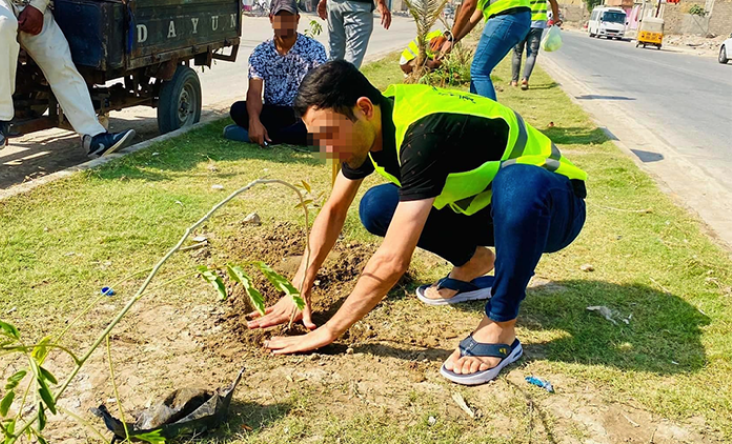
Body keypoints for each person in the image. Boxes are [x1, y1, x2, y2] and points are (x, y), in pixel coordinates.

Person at [250, 61, 588, 386]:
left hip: (552, 207)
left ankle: (500, 324)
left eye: (329, 135)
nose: (327, 148)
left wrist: (330, 330)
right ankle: (474, 262)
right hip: (488, 209)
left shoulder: (424, 133)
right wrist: (299, 287)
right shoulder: (371, 129)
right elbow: (335, 210)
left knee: (519, 182)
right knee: (378, 205)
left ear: (364, 109)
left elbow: (393, 261)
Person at [0, 0, 135, 156]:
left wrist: (37, 7)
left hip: (32, 5)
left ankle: (95, 137)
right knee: (1, 25)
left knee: (60, 62)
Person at [224, 0, 327, 147]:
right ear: (271, 19)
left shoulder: (314, 49)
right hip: (276, 112)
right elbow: (254, 92)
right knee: (238, 109)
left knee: (322, 124)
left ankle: (268, 136)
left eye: (288, 18)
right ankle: (275, 134)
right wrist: (254, 121)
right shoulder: (261, 52)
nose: (284, 23)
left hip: (304, 113)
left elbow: (321, 90)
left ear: (297, 19)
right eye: (280, 18)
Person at [435, 0, 532, 100]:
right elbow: (475, 16)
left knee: (479, 72)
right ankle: (476, 111)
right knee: (478, 72)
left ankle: (492, 114)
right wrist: (453, 41)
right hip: (520, 18)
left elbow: (468, 5)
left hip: (505, 17)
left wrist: (451, 39)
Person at [317, 0, 391, 68]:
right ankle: (344, 81)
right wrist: (381, 2)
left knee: (335, 55)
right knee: (352, 57)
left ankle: (330, 81)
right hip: (358, 5)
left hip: (334, 4)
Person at [510, 0, 562, 90]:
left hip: (521, 22)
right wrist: (556, 18)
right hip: (537, 24)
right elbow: (553, 2)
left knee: (517, 53)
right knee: (532, 53)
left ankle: (514, 81)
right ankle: (525, 78)